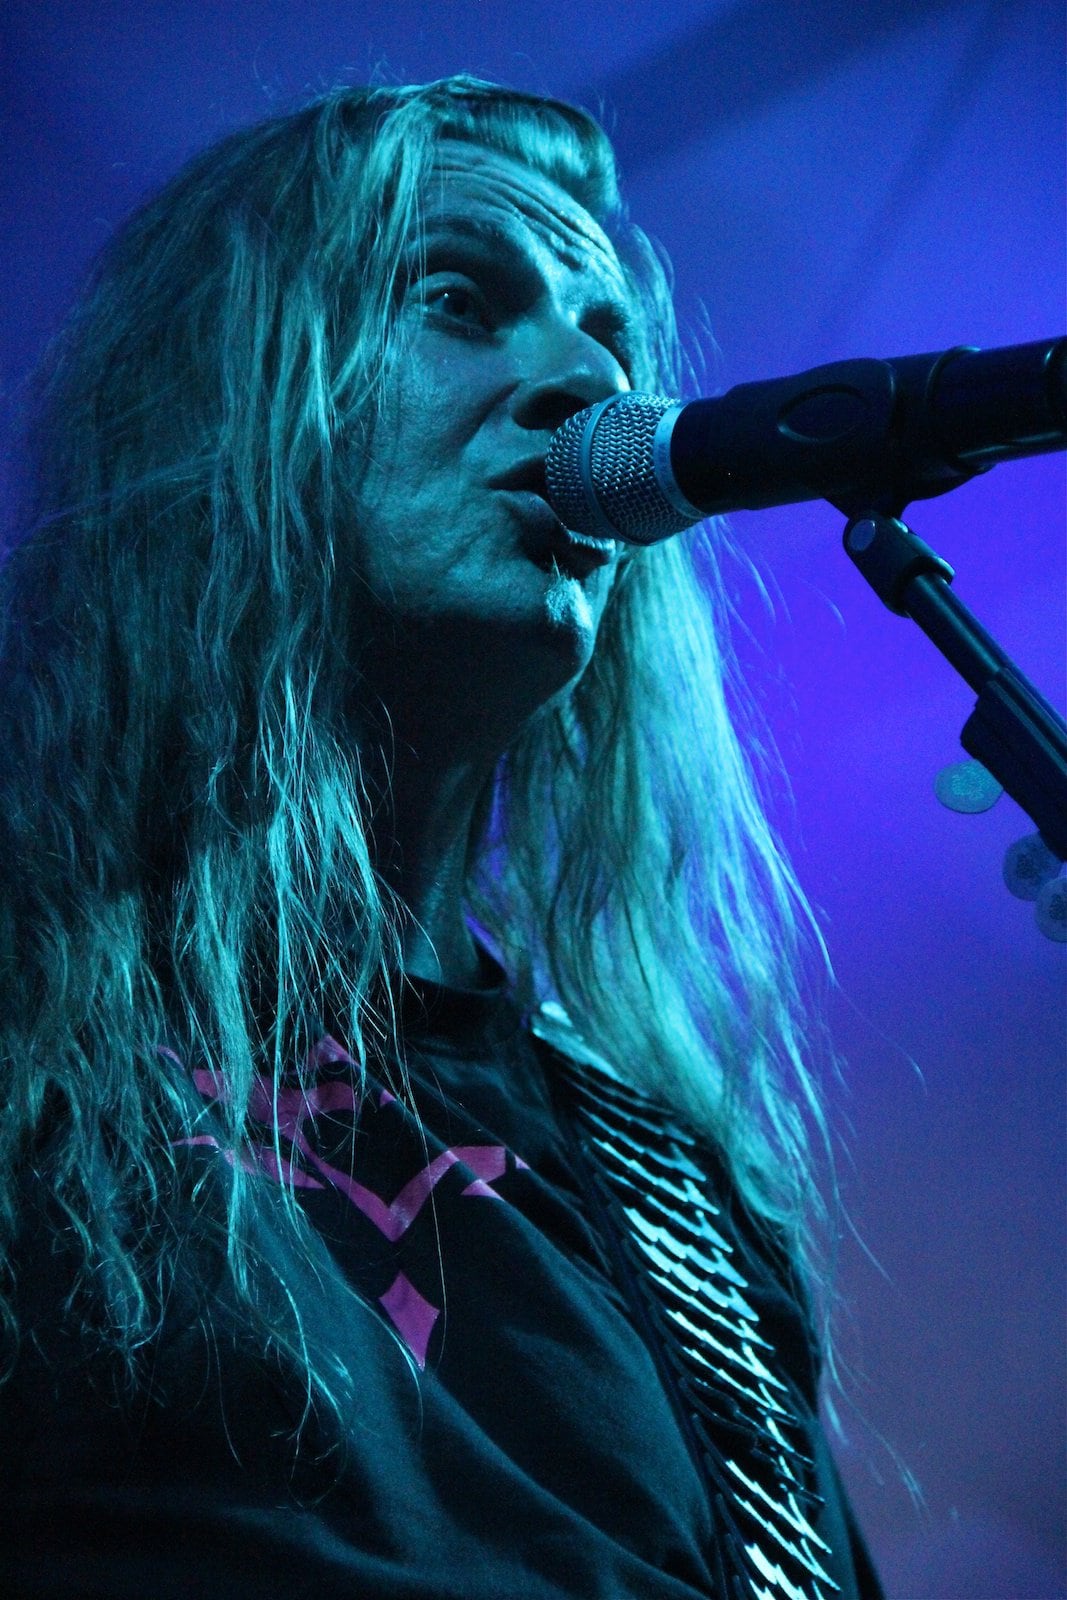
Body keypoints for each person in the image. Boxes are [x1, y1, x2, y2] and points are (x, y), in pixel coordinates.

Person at [0, 76, 884, 1598]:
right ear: (220, 400)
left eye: (609, 339)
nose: (589, 384)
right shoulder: (36, 1014)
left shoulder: (668, 1187)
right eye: (459, 302)